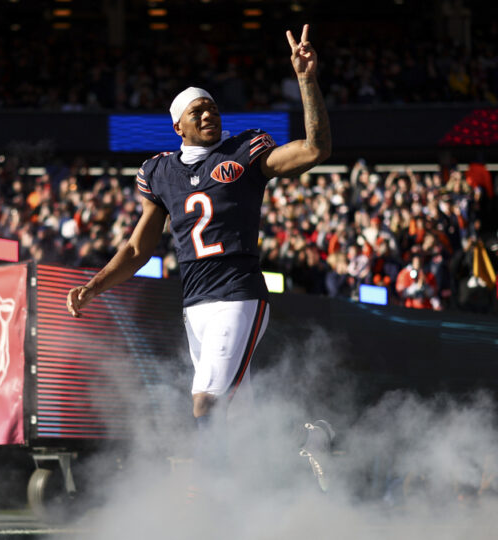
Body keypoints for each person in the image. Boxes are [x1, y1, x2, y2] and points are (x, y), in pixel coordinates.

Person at [67, 25, 331, 484]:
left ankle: (209, 503)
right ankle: (305, 445)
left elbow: (314, 149)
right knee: (239, 418)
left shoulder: (244, 149)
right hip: (195, 306)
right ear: (178, 126)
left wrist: (306, 82)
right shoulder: (159, 171)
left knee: (205, 402)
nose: (208, 113)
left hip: (238, 293)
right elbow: (136, 247)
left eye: (211, 105)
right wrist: (95, 285)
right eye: (197, 110)